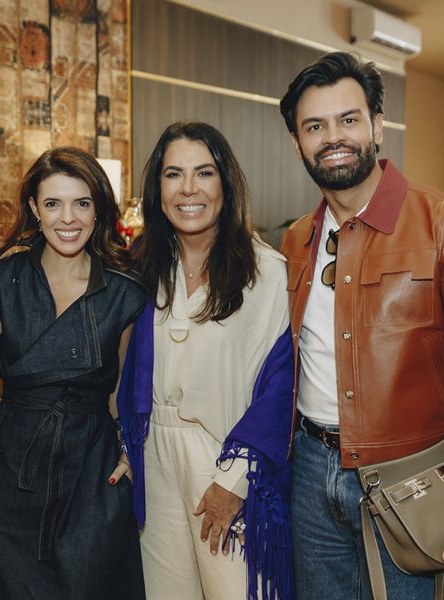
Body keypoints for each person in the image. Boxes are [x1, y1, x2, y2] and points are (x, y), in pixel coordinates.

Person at [278, 52, 444, 600]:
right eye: (314, 126)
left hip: (413, 480)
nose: (333, 136)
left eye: (348, 119)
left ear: (377, 126)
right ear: (297, 143)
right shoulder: (296, 240)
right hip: (309, 476)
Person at [117, 121, 295, 600]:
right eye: (174, 174)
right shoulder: (141, 269)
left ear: (226, 184)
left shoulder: (267, 273)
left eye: (205, 173)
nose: (189, 189)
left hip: (225, 456)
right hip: (154, 453)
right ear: (158, 188)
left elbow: (283, 387)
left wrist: (235, 480)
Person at [0, 147, 147, 600]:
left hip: (89, 467)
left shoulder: (125, 291)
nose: (67, 218)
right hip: (12, 465)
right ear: (34, 208)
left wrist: (131, 457)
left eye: (82, 203)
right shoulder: (3, 278)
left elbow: (125, 393)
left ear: (98, 210)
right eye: (53, 203)